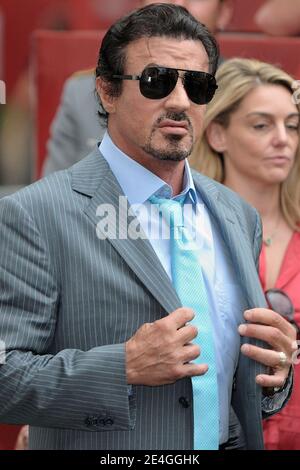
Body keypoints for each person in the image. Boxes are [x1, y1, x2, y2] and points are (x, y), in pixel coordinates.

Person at [0, 4, 296, 450]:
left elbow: (234, 383)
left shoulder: (236, 215)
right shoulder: (35, 215)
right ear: (107, 91)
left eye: (196, 85)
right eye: (157, 81)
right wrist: (123, 366)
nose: (179, 101)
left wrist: (273, 378)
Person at [190, 57, 300, 449]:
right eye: (261, 125)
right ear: (217, 135)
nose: (282, 140)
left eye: (292, 125)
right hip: (215, 435)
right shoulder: (188, 233)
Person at [42, 0, 233, 176]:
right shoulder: (82, 92)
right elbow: (54, 199)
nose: (178, 3)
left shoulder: (245, 93)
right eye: (153, 81)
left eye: (200, 86)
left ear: (224, 12)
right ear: (107, 92)